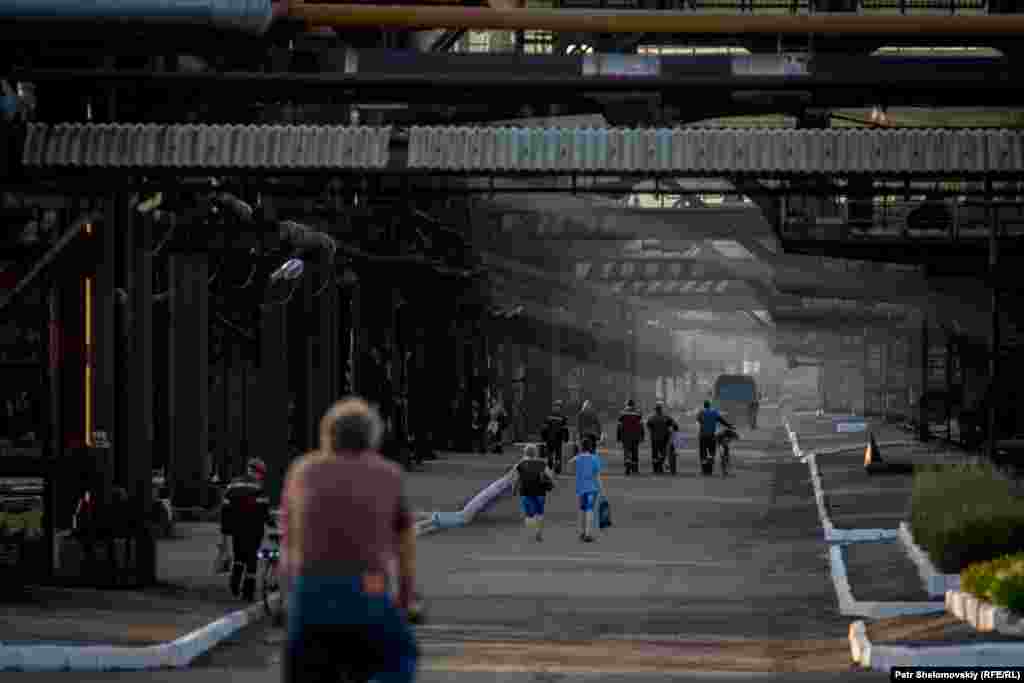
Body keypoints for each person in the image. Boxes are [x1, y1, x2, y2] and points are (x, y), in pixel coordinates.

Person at [280, 397, 419, 683]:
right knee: (403, 655)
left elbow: (289, 544)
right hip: (368, 586)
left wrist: (290, 599)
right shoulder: (388, 475)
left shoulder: (302, 472)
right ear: (372, 435)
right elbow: (405, 548)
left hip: (311, 591)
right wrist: (404, 600)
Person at [220, 457, 272, 601]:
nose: (262, 476)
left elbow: (225, 508)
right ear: (258, 472)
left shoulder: (232, 485)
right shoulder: (259, 487)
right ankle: (248, 593)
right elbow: (263, 511)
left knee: (238, 556)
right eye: (262, 473)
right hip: (254, 529)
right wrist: (272, 524)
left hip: (236, 528)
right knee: (251, 559)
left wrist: (225, 529)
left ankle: (234, 585)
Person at [513, 444, 555, 542]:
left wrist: (514, 489)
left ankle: (531, 533)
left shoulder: (520, 464)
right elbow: (550, 475)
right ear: (535, 453)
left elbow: (516, 479)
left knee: (528, 514)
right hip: (540, 491)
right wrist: (552, 484)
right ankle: (538, 532)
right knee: (539, 512)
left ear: (525, 453)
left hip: (525, 491)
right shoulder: (542, 463)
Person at [570, 434, 604, 543]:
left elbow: (570, 464)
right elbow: (597, 476)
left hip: (580, 488)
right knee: (590, 510)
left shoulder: (577, 458)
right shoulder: (595, 459)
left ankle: (582, 531)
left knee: (582, 510)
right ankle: (588, 533)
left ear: (581, 447)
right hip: (592, 489)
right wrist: (601, 489)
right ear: (590, 447)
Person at [696, 400, 734, 472]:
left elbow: (698, 420)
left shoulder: (701, 412)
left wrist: (703, 423)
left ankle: (703, 460)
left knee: (702, 450)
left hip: (703, 435)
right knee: (712, 449)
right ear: (709, 405)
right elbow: (721, 420)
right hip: (712, 435)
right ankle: (711, 457)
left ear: (704, 405)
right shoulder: (714, 412)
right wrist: (730, 426)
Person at [646, 403, 679, 475]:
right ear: (661, 410)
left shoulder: (651, 418)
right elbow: (675, 425)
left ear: (655, 410)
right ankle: (662, 464)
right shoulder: (666, 417)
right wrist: (675, 430)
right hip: (664, 438)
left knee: (654, 454)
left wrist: (652, 431)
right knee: (664, 453)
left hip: (654, 438)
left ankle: (656, 469)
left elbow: (648, 426)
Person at [616, 399, 645, 476]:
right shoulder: (638, 413)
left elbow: (619, 426)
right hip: (635, 435)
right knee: (635, 451)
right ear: (634, 405)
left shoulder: (622, 413)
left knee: (626, 451)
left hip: (625, 435)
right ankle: (635, 469)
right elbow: (641, 425)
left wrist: (618, 436)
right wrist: (642, 436)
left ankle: (627, 464)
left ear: (627, 405)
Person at [541, 401, 570, 472]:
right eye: (556, 407)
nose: (556, 408)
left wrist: (543, 437)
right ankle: (556, 468)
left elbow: (544, 428)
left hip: (551, 438)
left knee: (552, 454)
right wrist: (566, 438)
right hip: (556, 438)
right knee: (557, 454)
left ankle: (552, 467)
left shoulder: (548, 417)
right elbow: (565, 429)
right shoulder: (563, 417)